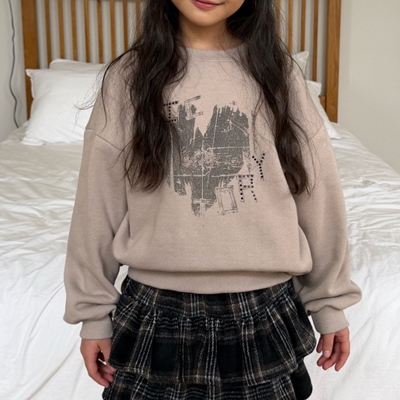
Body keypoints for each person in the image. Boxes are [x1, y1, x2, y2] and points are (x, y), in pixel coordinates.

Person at [64, 0, 362, 399]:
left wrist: (329, 302)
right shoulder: (129, 77)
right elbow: (97, 203)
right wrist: (92, 315)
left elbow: (317, 193)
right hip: (155, 307)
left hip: (263, 306)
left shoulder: (278, 73)